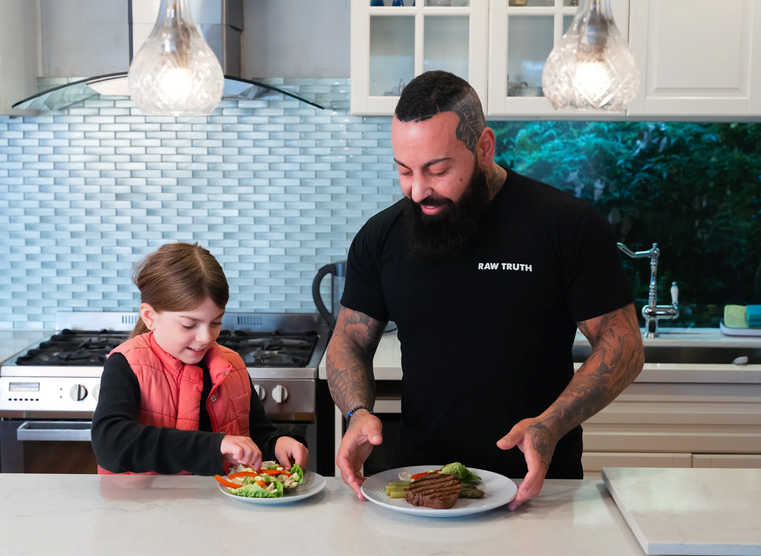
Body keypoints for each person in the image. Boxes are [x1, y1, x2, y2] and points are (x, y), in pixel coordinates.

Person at [326, 71, 645, 510]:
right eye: (404, 170)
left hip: (537, 489)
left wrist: (551, 424)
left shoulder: (566, 226)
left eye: (437, 170)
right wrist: (355, 412)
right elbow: (348, 339)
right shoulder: (380, 236)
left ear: (484, 147)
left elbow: (623, 344)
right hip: (419, 487)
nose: (418, 190)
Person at [92, 242, 308, 475]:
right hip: (143, 508)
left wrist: (278, 443)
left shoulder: (232, 365)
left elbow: (257, 436)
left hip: (216, 508)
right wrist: (214, 446)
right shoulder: (127, 363)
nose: (206, 337)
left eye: (216, 322)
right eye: (189, 325)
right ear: (150, 317)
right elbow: (110, 444)